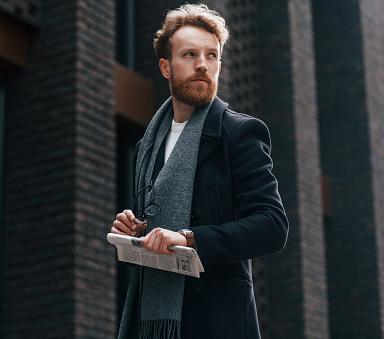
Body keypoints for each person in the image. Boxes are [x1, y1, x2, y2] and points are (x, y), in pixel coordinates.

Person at [111, 4, 288, 339]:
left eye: (212, 55)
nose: (202, 65)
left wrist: (189, 239)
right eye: (190, 54)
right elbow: (163, 223)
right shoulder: (147, 146)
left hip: (215, 319)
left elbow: (273, 226)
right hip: (152, 322)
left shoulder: (239, 133)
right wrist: (137, 230)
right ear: (166, 66)